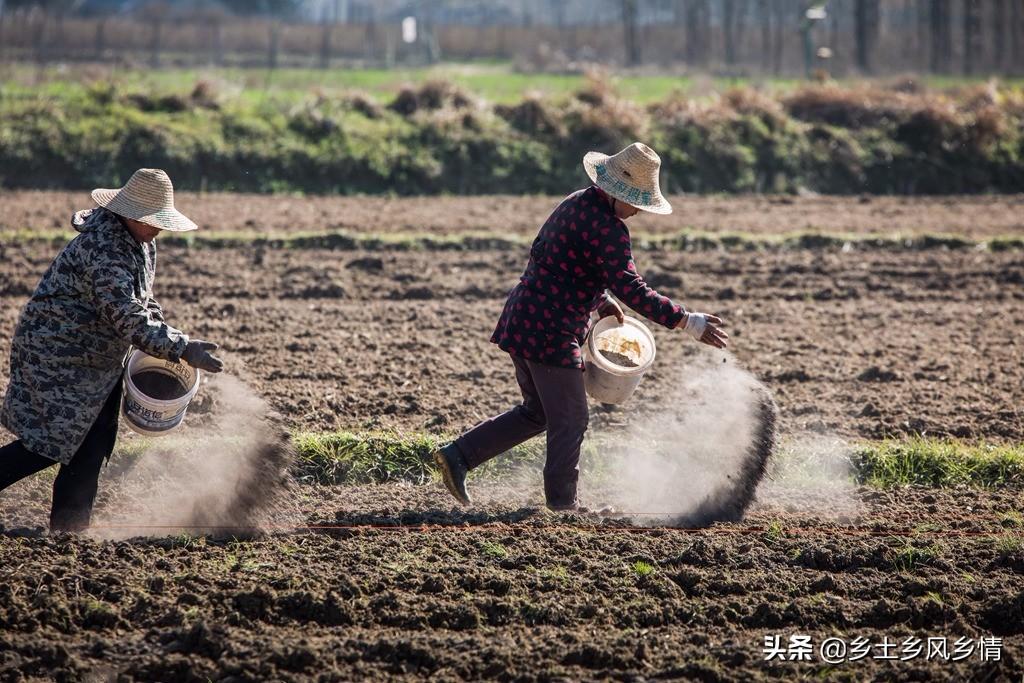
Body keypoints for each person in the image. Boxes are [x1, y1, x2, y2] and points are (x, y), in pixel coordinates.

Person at [434, 143, 728, 512]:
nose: (637, 211)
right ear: (619, 193)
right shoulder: (609, 228)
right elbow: (632, 288)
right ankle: (563, 506)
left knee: (538, 412)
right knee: (571, 418)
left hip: (524, 318)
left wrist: (598, 299)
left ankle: (458, 455)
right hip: (550, 331)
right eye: (637, 202)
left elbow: (555, 257)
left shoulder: (577, 202)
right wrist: (687, 321)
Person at [0, 168, 224, 533]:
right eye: (152, 220)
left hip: (97, 357)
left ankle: (69, 533)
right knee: (48, 442)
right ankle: (68, 530)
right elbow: (127, 316)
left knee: (94, 442)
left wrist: (170, 336)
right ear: (129, 213)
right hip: (58, 354)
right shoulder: (104, 249)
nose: (158, 228)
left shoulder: (141, 242)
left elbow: (144, 303)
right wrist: (182, 347)